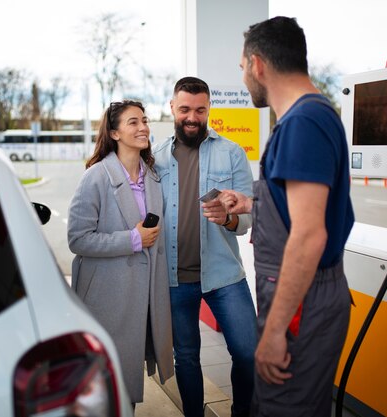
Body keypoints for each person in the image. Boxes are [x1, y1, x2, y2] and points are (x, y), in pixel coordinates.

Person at [218, 17, 354, 416]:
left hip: (301, 304)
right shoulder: (310, 116)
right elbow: (299, 209)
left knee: (283, 408)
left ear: (258, 64)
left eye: (242, 67)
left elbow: (309, 235)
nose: (244, 77)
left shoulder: (302, 124)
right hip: (303, 298)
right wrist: (250, 203)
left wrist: (276, 330)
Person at [153, 76, 257, 417]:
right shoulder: (154, 158)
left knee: (247, 352)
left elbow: (244, 221)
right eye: (184, 109)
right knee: (186, 356)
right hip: (174, 277)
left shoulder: (232, 153)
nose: (192, 117)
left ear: (209, 109)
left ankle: (242, 411)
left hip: (223, 274)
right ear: (172, 108)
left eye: (200, 110)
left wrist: (227, 219)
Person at [67, 100, 174, 407]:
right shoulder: (96, 177)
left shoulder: (152, 177)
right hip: (107, 299)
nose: (143, 128)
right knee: (106, 387)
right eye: (133, 122)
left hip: (144, 298)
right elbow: (78, 239)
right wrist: (133, 239)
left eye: (145, 120)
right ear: (114, 133)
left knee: (126, 388)